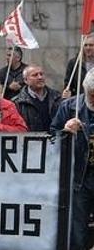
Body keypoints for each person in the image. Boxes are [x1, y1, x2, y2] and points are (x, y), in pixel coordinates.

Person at [50, 68, 94, 250]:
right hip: (79, 177)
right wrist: (65, 130)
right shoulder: (69, 107)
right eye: (92, 95)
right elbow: (52, 136)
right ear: (85, 90)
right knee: (78, 228)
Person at [12, 64, 62, 132]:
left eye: (41, 74)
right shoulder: (17, 103)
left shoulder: (57, 97)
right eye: (35, 75)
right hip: (31, 141)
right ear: (26, 80)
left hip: (53, 140)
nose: (40, 77)